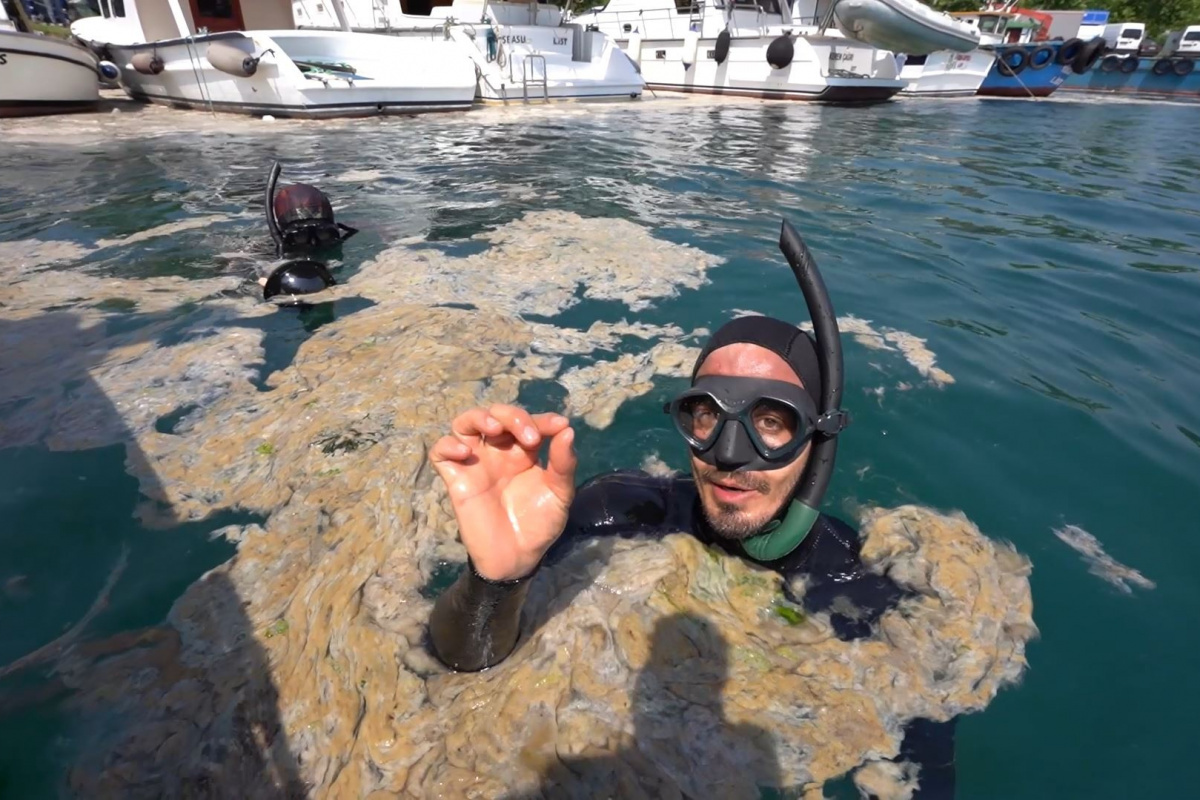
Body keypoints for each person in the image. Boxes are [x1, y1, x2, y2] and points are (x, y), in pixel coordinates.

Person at [427, 221, 956, 798]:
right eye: (706, 416)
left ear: (817, 440)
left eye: (771, 423)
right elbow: (465, 665)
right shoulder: (618, 511)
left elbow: (918, 778)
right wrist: (497, 580)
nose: (729, 457)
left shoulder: (855, 587)